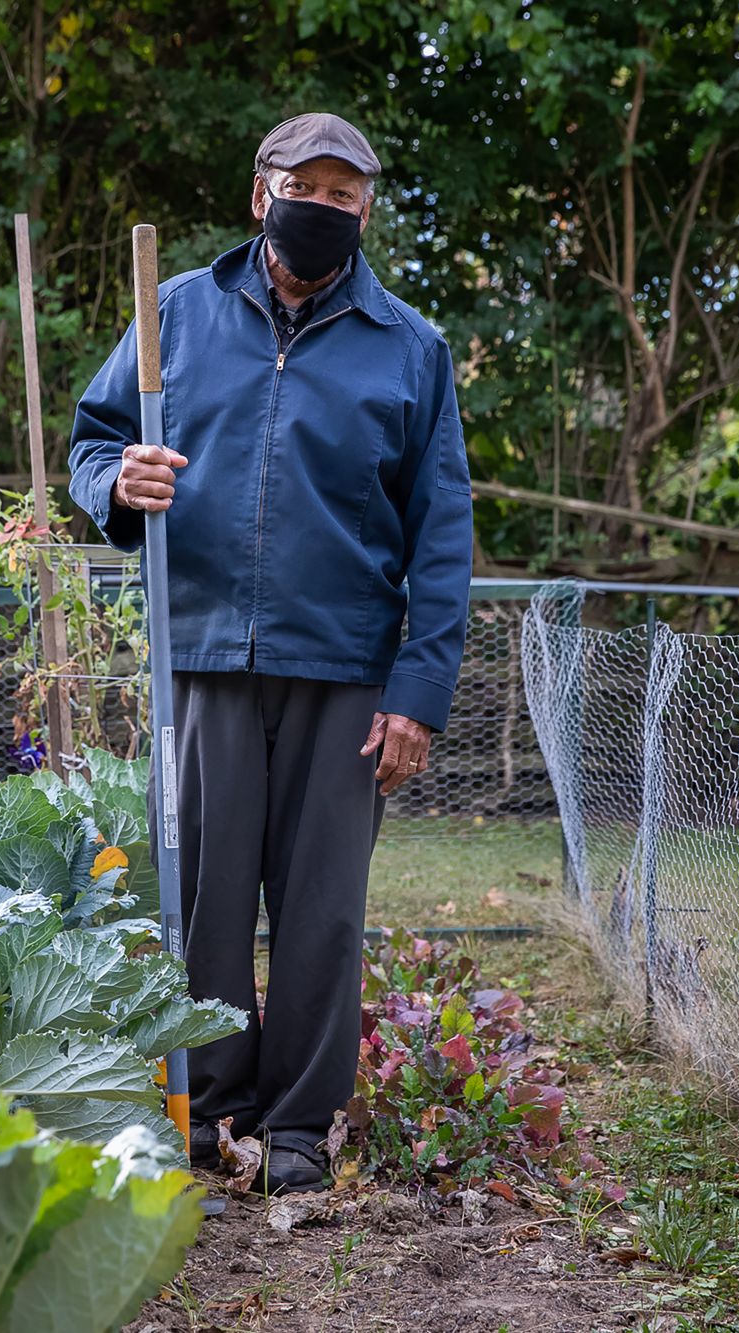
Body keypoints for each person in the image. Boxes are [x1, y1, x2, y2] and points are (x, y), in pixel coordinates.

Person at [68, 112, 473, 1194]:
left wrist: (416, 695)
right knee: (201, 899)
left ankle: (296, 1124)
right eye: (309, 187)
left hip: (345, 675)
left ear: (366, 213)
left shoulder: (408, 350)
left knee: (320, 909)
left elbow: (440, 536)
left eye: (347, 196)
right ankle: (205, 1106)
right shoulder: (176, 317)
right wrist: (117, 482)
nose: (325, 207)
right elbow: (91, 439)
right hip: (200, 653)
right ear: (261, 194)